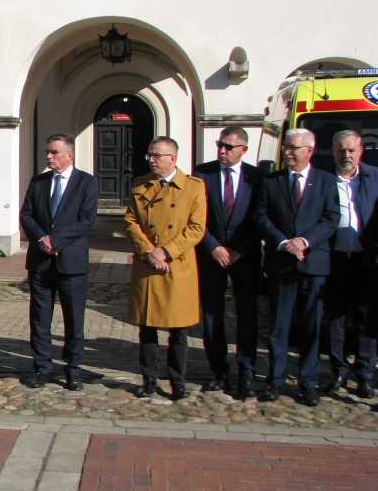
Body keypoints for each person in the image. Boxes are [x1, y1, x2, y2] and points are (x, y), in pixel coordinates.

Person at [253, 128, 339, 407]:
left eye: (293, 148)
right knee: (279, 325)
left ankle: (308, 382)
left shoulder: (325, 181)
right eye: (286, 147)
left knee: (311, 327)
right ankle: (275, 380)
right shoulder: (272, 180)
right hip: (281, 263)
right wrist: (282, 242)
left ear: (309, 151)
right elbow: (261, 216)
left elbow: (331, 217)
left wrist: (304, 241)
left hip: (313, 263)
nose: (287, 152)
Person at [123, 136, 206, 401]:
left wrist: (166, 252)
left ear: (173, 158)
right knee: (147, 328)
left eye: (157, 155)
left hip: (176, 266)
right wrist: (149, 251)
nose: (152, 160)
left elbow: (196, 228)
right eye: (150, 155)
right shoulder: (140, 185)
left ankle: (178, 381)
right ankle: (149, 379)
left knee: (178, 331)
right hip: (148, 265)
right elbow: (130, 221)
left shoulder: (193, 187)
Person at [19, 133, 98, 391]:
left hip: (71, 262)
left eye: (54, 152)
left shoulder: (86, 182)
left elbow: (86, 220)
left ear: (69, 155)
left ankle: (73, 369)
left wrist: (56, 240)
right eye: (47, 152)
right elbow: (26, 214)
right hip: (41, 261)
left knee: (73, 319)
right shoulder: (40, 181)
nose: (49, 156)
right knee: (40, 317)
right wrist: (42, 238)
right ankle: (42, 366)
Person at [192, 126, 264, 400]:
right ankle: (218, 369)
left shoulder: (257, 178)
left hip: (244, 256)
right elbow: (197, 216)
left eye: (229, 146)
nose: (222, 150)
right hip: (212, 254)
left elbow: (259, 218)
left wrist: (238, 250)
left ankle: (246, 371)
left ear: (243, 149)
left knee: (247, 313)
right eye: (220, 144)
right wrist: (214, 247)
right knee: (212, 314)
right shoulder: (203, 173)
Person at [321, 130, 378, 399]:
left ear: (360, 151)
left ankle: (365, 374)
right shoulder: (323, 179)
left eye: (351, 150)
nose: (346, 155)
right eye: (341, 150)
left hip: (367, 260)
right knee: (336, 317)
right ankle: (338, 370)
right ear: (333, 152)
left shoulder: (375, 177)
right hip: (335, 259)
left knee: (367, 318)